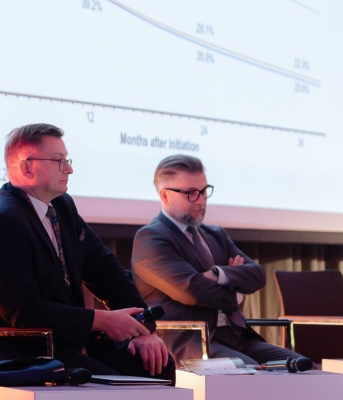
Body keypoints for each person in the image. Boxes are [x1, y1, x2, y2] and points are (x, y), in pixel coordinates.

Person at [0, 123, 176, 383]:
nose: (69, 169)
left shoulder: (62, 207)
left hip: (62, 342)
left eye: (67, 160)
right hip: (18, 350)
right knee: (112, 384)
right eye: (58, 161)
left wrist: (144, 329)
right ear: (27, 167)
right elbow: (24, 312)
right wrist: (103, 320)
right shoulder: (3, 223)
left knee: (157, 366)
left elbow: (105, 270)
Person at [131, 154, 307, 366]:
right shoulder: (150, 238)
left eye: (204, 191)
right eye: (191, 193)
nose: (201, 200)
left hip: (236, 336)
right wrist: (237, 293)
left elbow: (257, 275)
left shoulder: (216, 235)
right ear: (165, 195)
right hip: (192, 340)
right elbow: (192, 290)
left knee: (303, 367)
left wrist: (217, 273)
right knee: (251, 373)